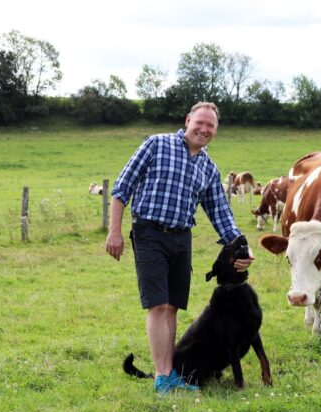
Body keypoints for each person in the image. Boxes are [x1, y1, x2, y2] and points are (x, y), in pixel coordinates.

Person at [105, 101, 253, 394]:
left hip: (182, 238)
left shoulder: (209, 168)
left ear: (216, 131)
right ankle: (163, 378)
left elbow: (220, 213)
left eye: (211, 126)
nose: (204, 129)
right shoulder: (156, 145)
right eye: (200, 122)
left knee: (172, 307)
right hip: (149, 233)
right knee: (158, 305)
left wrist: (241, 247)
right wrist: (114, 232)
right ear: (188, 120)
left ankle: (170, 373)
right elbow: (122, 187)